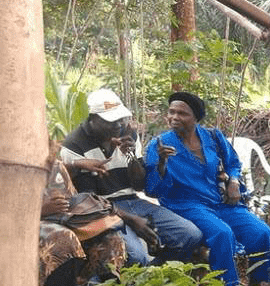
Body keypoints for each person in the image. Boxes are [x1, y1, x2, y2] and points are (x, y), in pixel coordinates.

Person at [144, 91, 270, 286]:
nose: (174, 117)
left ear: (195, 118)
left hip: (221, 202)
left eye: (182, 113)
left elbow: (232, 163)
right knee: (221, 234)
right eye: (171, 112)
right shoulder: (159, 146)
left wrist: (234, 182)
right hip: (186, 205)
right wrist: (162, 164)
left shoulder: (212, 137)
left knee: (261, 232)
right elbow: (153, 189)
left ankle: (258, 283)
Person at [60, 88, 202, 266]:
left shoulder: (127, 133)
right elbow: (87, 202)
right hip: (102, 210)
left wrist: (131, 156)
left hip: (133, 200)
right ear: (93, 119)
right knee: (135, 256)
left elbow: (139, 185)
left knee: (190, 235)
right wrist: (132, 220)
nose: (118, 125)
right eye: (111, 121)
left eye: (121, 119)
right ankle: (125, 280)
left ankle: (153, 273)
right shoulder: (74, 146)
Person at [39, 159, 127, 286]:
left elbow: (70, 201)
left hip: (62, 221)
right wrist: (39, 209)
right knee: (63, 239)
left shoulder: (52, 164)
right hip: (19, 225)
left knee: (110, 240)